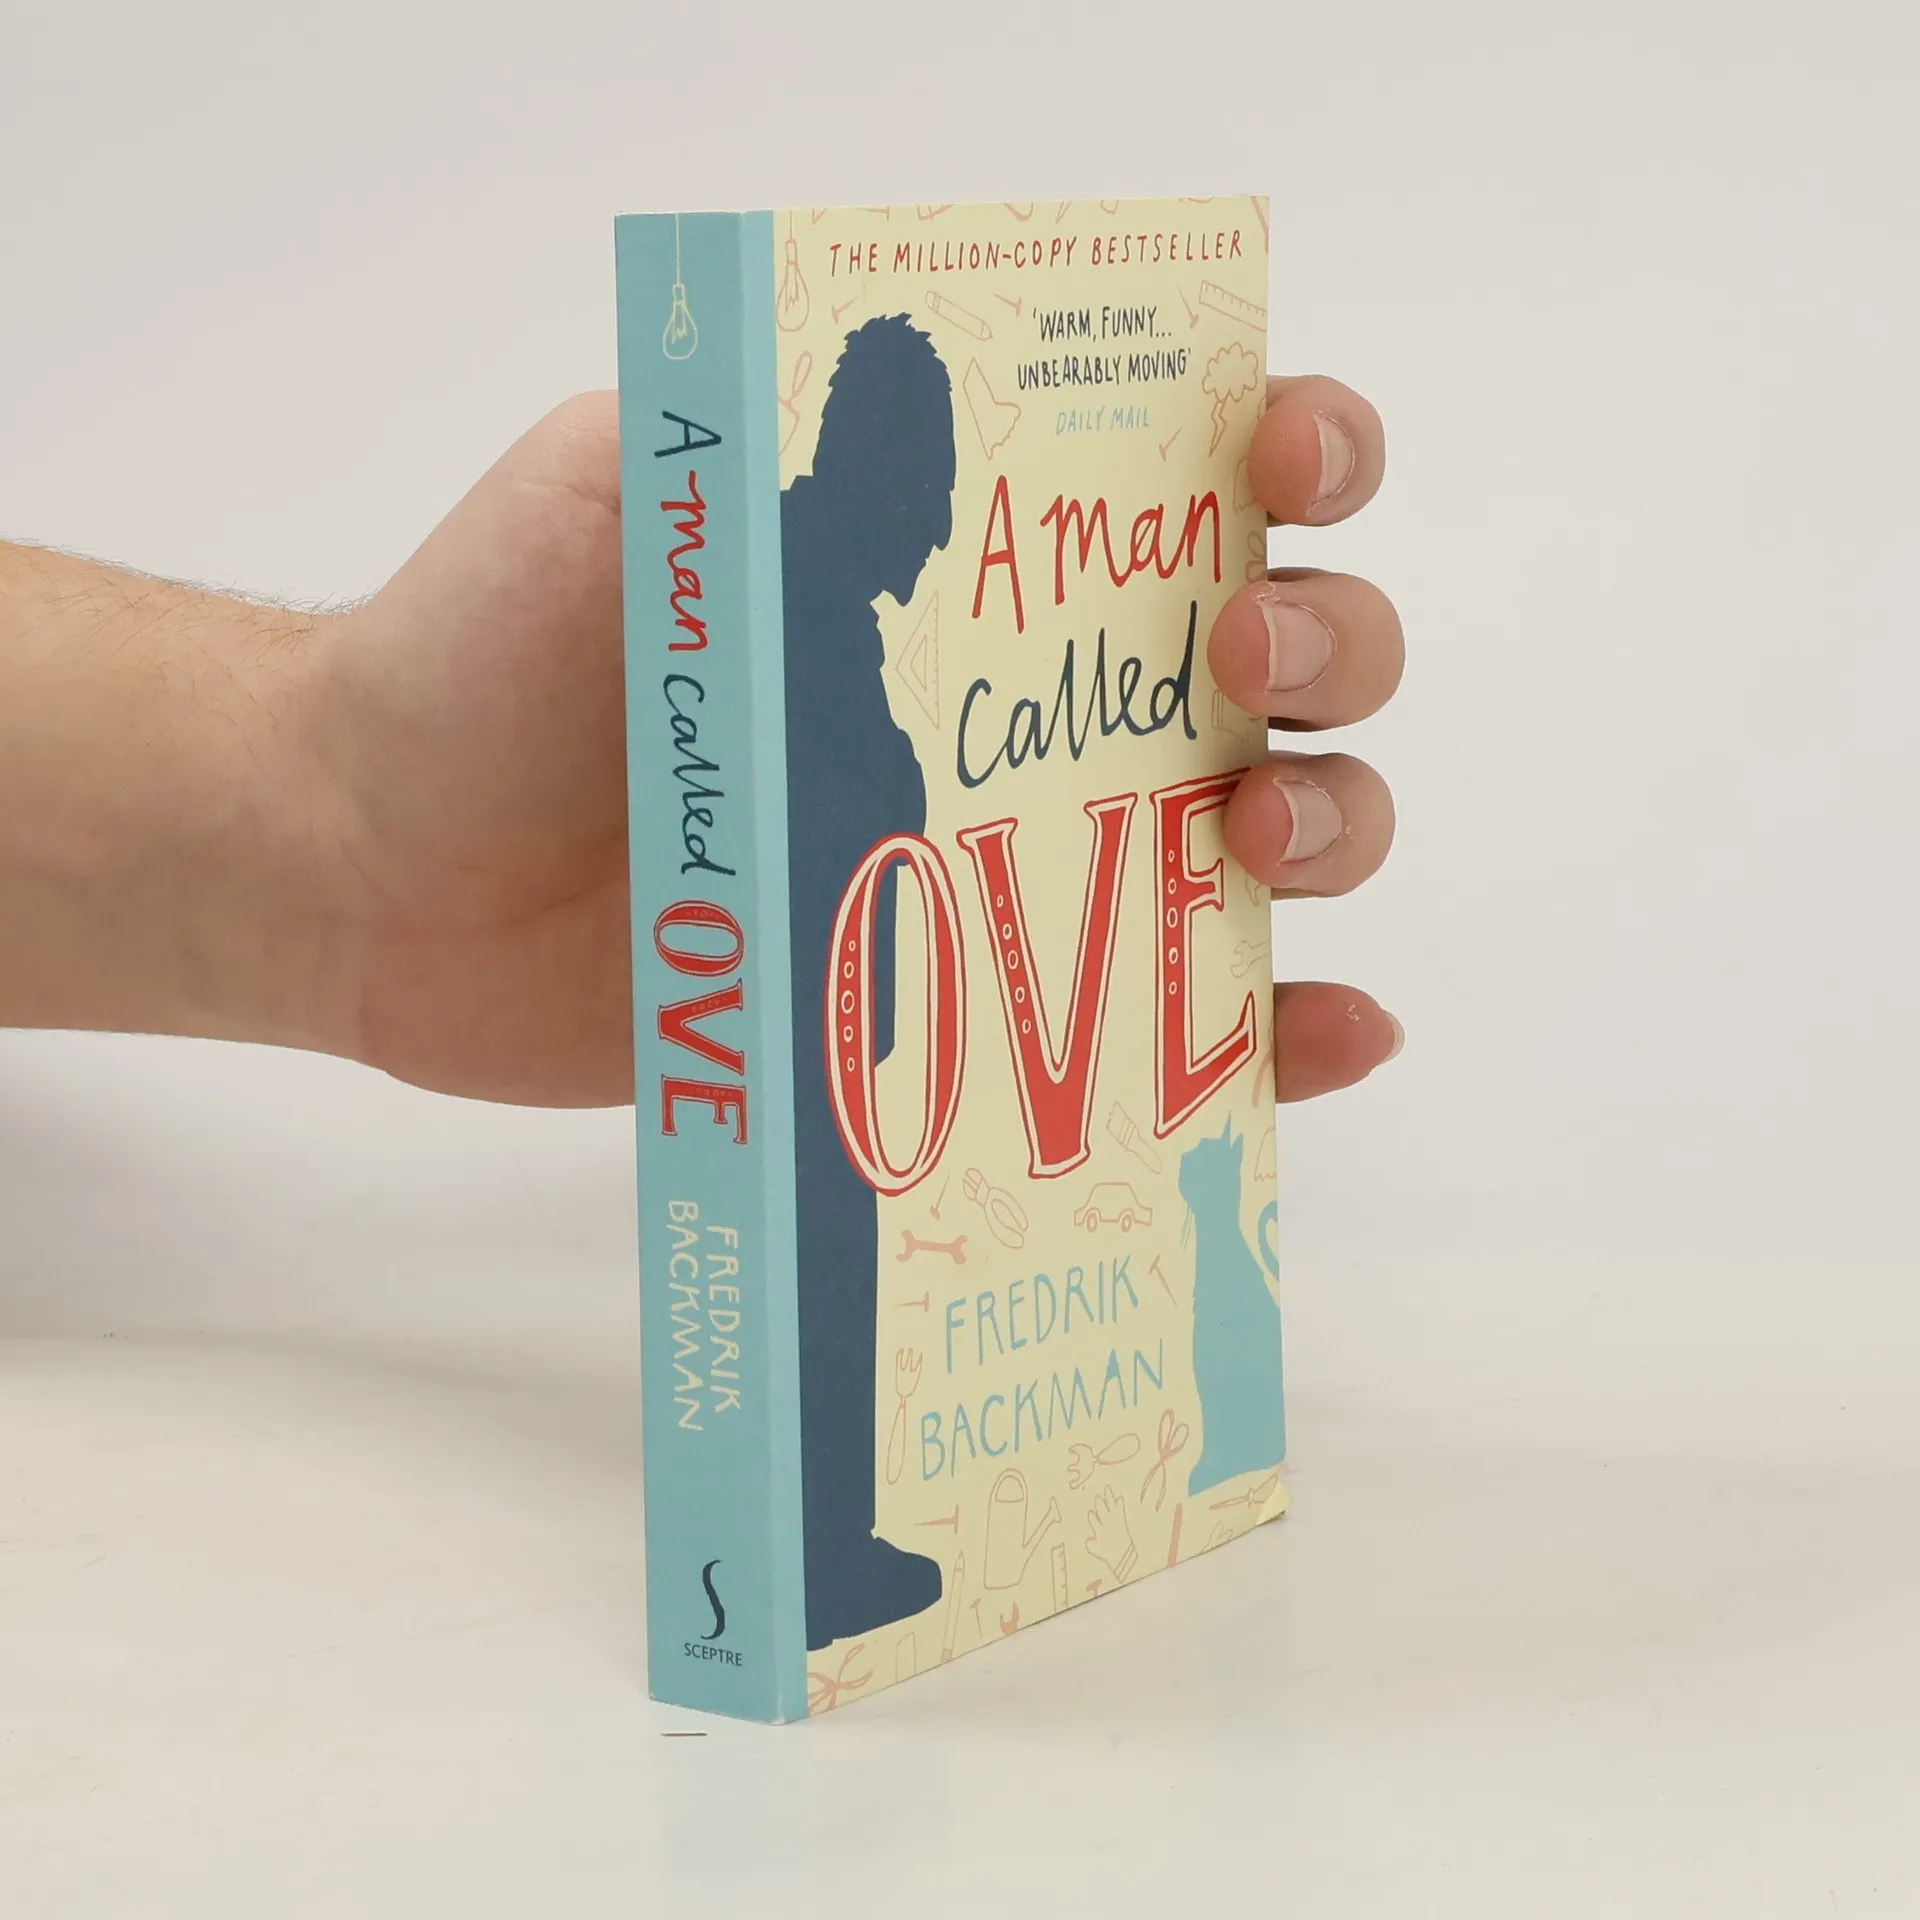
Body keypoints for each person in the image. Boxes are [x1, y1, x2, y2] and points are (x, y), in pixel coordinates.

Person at [0, 374, 1404, 1118]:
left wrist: (343, 828)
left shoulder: (832, 637)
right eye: (923, 480)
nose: (939, 526)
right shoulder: (791, 601)